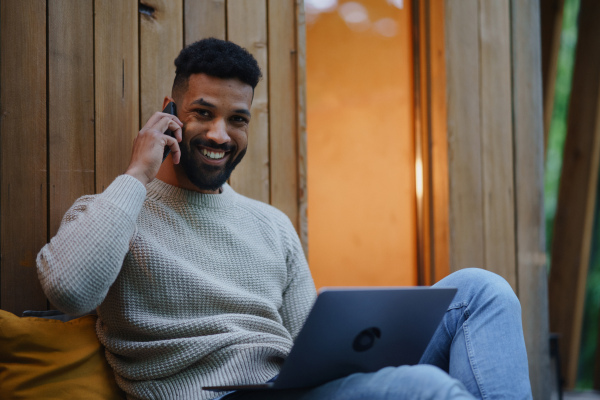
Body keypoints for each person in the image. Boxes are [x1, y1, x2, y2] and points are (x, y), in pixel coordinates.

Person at [36, 38, 532, 400]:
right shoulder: (111, 211)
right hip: (215, 398)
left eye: (237, 119)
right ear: (170, 114)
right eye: (202, 113)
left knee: (482, 290)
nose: (219, 134)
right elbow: (71, 291)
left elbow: (308, 347)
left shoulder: (271, 225)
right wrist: (136, 173)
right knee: (424, 389)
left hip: (291, 388)